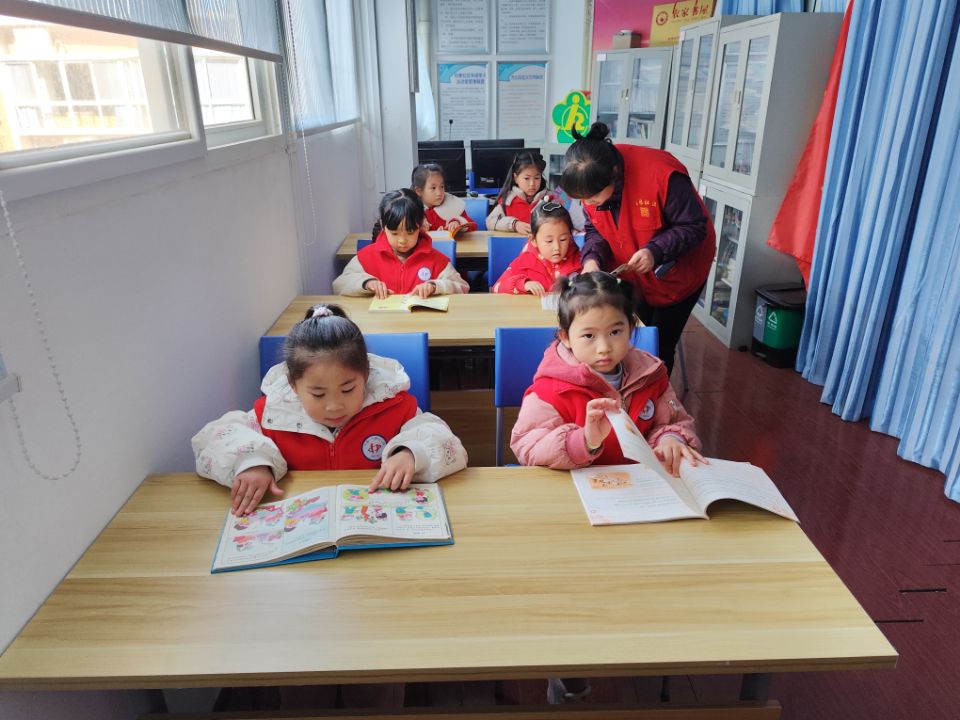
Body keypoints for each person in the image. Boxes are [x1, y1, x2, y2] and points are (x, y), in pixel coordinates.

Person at [191, 303, 467, 709]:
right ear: (293, 384)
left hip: (379, 570)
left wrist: (411, 451)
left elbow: (443, 439)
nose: (334, 406)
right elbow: (215, 437)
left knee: (378, 672)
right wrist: (251, 461)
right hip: (301, 576)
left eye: (348, 389)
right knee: (304, 674)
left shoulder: (394, 406)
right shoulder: (273, 413)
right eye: (317, 394)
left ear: (366, 376)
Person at [560, 122, 715, 376]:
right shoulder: (591, 183)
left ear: (614, 173)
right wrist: (592, 260)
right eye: (583, 199)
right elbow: (595, 230)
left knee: (658, 349)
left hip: (676, 275)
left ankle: (655, 398)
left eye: (593, 197)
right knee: (629, 341)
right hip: (633, 273)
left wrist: (655, 251)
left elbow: (694, 226)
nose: (588, 203)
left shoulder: (661, 174)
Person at [333, 189, 469, 298]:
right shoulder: (366, 257)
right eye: (394, 233)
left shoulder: (436, 260)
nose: (402, 240)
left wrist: (435, 286)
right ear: (383, 225)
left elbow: (462, 287)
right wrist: (366, 283)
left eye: (410, 232)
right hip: (380, 323)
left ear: (421, 226)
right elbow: (339, 285)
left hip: (422, 322)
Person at [492, 201, 582, 296]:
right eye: (549, 241)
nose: (557, 247)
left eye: (563, 239)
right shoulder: (525, 263)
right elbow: (497, 287)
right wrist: (522, 284)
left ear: (570, 236)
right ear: (533, 240)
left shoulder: (581, 261)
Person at [485, 150, 551, 234]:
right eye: (526, 178)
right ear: (516, 178)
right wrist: (514, 224)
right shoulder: (508, 200)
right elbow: (489, 222)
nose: (532, 184)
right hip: (515, 242)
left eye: (537, 178)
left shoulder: (551, 198)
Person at [412, 163, 476, 234]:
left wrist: (458, 222)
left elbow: (473, 226)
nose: (439, 193)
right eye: (433, 188)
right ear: (419, 191)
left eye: (442, 186)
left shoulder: (453, 204)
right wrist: (419, 230)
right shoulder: (411, 211)